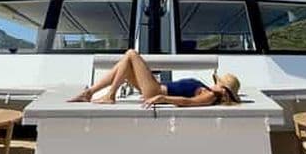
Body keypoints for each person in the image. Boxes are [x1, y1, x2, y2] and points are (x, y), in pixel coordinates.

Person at [68, 49, 241, 107]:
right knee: (125, 66)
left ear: (225, 90)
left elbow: (187, 102)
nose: (217, 84)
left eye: (220, 84)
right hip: (155, 88)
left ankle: (109, 95)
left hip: (155, 91)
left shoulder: (210, 96)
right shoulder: (210, 91)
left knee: (131, 54)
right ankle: (89, 93)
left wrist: (162, 98)